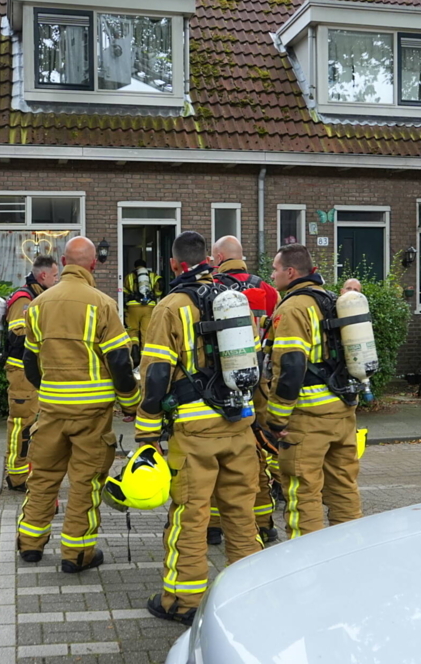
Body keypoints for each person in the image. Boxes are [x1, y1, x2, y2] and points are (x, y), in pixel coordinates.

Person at [135, 231, 263, 626]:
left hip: (195, 430)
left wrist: (146, 433)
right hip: (238, 422)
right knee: (240, 512)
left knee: (191, 514)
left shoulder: (170, 307)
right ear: (209, 259)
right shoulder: (234, 299)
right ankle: (252, 593)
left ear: (175, 264)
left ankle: (183, 601)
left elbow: (156, 375)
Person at [16, 237, 140, 573]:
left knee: (43, 478)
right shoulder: (102, 304)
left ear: (63, 262)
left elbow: (30, 362)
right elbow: (120, 362)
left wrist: (50, 391)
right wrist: (131, 404)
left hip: (51, 411)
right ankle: (77, 554)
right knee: (85, 483)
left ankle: (30, 544)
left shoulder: (38, 305)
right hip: (92, 415)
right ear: (93, 264)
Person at [261, 243, 361, 539]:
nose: (272, 275)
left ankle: (307, 563)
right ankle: (351, 553)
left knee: (303, 494)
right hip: (342, 413)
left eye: (275, 269)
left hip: (307, 420)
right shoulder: (330, 299)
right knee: (344, 489)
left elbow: (290, 367)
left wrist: (276, 419)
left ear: (290, 272)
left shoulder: (293, 308)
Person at [206, 235, 279, 546]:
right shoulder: (267, 289)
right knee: (255, 451)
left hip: (216, 385)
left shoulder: (209, 287)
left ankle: (213, 526)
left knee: (214, 456)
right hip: (257, 381)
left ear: (219, 257)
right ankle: (263, 523)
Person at [3, 256, 60, 492]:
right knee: (21, 424)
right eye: (55, 275)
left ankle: (29, 471)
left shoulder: (38, 297)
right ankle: (17, 477)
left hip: (32, 371)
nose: (57, 280)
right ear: (43, 276)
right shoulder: (24, 299)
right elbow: (17, 333)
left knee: (34, 424)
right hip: (20, 371)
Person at [123, 259, 164, 365]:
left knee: (133, 330)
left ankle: (134, 349)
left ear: (135, 267)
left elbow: (124, 292)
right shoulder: (153, 276)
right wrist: (155, 295)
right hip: (149, 307)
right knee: (146, 332)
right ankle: (145, 358)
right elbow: (160, 286)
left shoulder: (129, 277)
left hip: (133, 307)